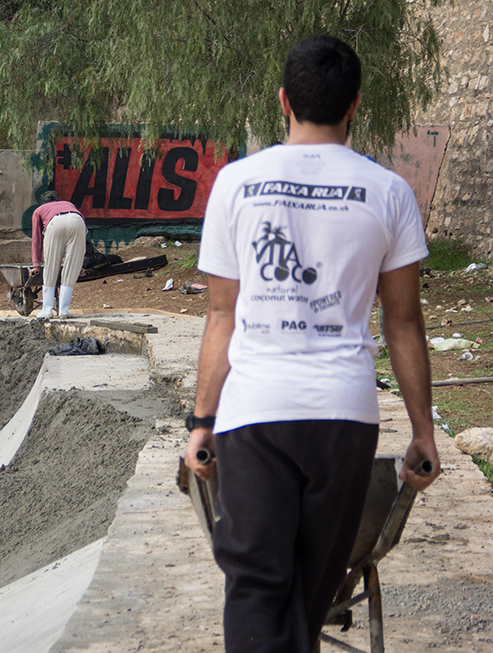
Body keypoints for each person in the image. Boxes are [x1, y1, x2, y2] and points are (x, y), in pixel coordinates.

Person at [184, 35, 440, 653]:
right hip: (343, 418)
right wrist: (422, 432)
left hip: (256, 414)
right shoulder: (389, 192)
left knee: (255, 584)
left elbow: (222, 315)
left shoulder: (237, 184)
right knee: (310, 591)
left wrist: (201, 421)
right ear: (354, 104)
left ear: (283, 101)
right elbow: (404, 323)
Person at [30, 191, 87, 318]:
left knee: (51, 267)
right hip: (77, 221)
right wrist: (79, 264)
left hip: (54, 223)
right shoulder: (69, 204)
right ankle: (63, 311)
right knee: (71, 268)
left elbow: (36, 240)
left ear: (43, 202)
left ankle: (47, 311)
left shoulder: (39, 210)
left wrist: (36, 265)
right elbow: (81, 245)